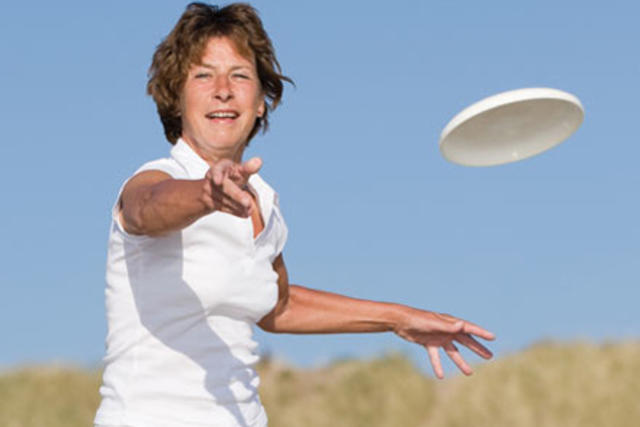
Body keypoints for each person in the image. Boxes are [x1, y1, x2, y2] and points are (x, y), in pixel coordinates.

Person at [94, 3, 495, 427]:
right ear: (176, 98)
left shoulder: (263, 201)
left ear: (262, 102)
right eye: (203, 75)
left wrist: (398, 318)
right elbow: (145, 209)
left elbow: (278, 305)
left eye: (240, 75)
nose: (223, 89)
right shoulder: (158, 179)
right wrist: (206, 195)